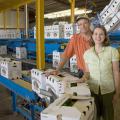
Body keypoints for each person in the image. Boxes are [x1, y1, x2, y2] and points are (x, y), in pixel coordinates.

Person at [83, 25, 120, 120]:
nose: (98, 36)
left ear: (105, 36)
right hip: (92, 90)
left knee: (108, 116)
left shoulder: (112, 51)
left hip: (108, 90)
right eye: (95, 34)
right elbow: (87, 72)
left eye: (101, 34)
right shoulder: (87, 54)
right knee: (94, 115)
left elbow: (116, 72)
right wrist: (83, 78)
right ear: (92, 36)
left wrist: (117, 93)